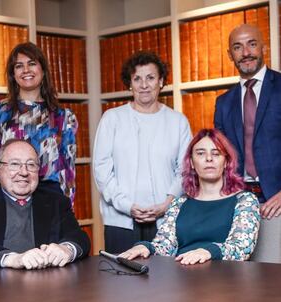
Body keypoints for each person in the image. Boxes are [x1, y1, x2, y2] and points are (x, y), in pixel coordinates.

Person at [93, 51, 191, 253]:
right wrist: (127, 205)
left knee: (166, 281)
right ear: (130, 84)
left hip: (166, 220)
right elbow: (101, 170)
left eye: (150, 78)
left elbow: (185, 169)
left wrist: (166, 204)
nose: (144, 85)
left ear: (161, 81)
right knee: (121, 280)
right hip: (120, 222)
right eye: (137, 78)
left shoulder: (178, 121)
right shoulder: (112, 119)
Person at [119, 129, 260, 265]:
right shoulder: (179, 203)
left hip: (225, 279)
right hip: (182, 276)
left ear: (226, 162)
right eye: (200, 153)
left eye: (216, 154)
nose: (209, 158)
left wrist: (207, 251)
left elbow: (241, 248)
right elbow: (165, 245)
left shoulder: (245, 201)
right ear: (192, 163)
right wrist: (146, 247)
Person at [0, 139, 90, 271]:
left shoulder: (56, 201)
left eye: (31, 165)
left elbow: (78, 236)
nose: (23, 172)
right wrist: (13, 259)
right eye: (14, 164)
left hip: (41, 286)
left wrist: (67, 249)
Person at [0, 42, 77, 203]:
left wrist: (67, 209)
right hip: (6, 199)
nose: (26, 70)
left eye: (32, 63)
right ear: (13, 74)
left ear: (43, 70)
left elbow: (68, 171)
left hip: (49, 201)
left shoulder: (64, 117)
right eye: (19, 66)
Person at [214, 24, 281, 220]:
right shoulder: (223, 102)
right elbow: (222, 157)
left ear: (264, 48)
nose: (246, 53)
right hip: (238, 201)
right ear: (229, 54)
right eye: (237, 47)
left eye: (252, 44)